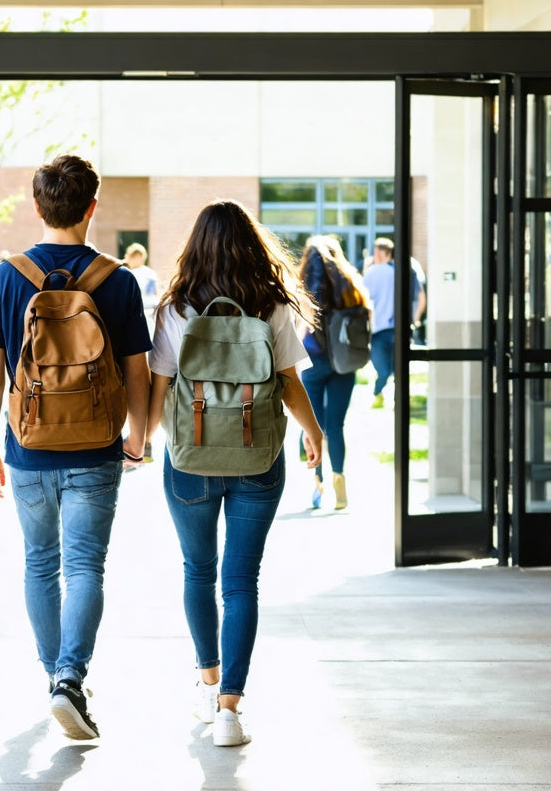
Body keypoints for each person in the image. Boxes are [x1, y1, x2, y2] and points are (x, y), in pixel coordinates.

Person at [0, 154, 151, 741]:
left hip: (27, 448)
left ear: (38, 207)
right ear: (92, 208)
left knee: (41, 563)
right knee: (85, 565)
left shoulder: (3, 279)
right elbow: (139, 373)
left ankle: (57, 679)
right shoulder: (116, 281)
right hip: (97, 449)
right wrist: (138, 438)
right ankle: (70, 679)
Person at [146, 199, 323, 747]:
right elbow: (290, 383)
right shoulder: (271, 304)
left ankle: (207, 682)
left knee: (198, 572)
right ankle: (230, 712)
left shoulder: (175, 308)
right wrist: (315, 434)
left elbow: (159, 387)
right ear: (253, 244)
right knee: (241, 582)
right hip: (259, 456)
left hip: (191, 459)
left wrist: (144, 442)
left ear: (195, 246)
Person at [299, 235, 371, 510]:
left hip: (313, 363)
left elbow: (301, 327)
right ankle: (339, 483)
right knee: (335, 426)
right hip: (344, 363)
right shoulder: (351, 285)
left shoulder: (305, 286)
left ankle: (317, 484)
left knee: (312, 427)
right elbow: (366, 318)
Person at [361, 237, 397, 409]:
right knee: (394, 368)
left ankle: (377, 394)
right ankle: (393, 398)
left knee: (382, 369)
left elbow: (362, 301)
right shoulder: (398, 273)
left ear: (379, 252)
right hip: (396, 328)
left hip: (377, 330)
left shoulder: (371, 274)